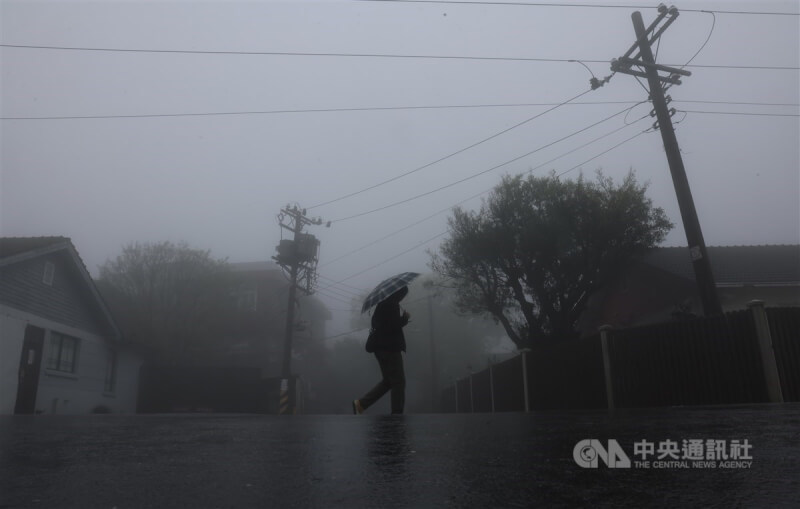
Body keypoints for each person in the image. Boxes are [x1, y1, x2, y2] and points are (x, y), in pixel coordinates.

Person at [353, 286, 411, 415]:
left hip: (379, 349)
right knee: (398, 382)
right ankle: (397, 413)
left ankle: (361, 404)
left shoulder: (382, 305)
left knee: (388, 381)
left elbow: (383, 325)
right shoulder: (392, 305)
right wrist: (405, 318)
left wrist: (401, 319)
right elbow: (392, 326)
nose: (403, 297)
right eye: (403, 294)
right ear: (398, 293)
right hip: (390, 349)